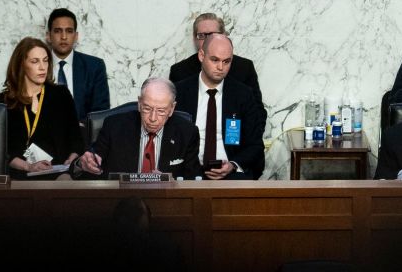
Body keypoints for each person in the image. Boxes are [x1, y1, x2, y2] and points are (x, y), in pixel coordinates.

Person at [173, 33, 264, 179]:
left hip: (231, 173)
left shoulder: (243, 94)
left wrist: (233, 165)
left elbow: (255, 145)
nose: (220, 67)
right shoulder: (180, 92)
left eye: (226, 61)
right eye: (214, 60)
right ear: (201, 56)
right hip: (188, 172)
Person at [74, 77, 201, 179]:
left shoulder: (187, 133)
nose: (152, 117)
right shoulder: (114, 126)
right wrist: (81, 163)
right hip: (121, 202)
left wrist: (171, 184)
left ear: (172, 108)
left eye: (161, 111)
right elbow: (91, 161)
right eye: (147, 108)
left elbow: (194, 179)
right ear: (139, 103)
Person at [0, 37, 83, 179]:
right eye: (35, 61)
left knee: (65, 181)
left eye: (45, 60)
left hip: (57, 173)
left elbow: (76, 140)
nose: (43, 67)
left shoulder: (61, 95)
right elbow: (2, 151)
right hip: (21, 172)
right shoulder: (6, 100)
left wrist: (71, 160)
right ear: (21, 64)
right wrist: (29, 166)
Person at [167, 12, 263, 104]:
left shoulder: (244, 68)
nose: (208, 40)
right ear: (194, 39)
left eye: (213, 34)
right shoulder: (179, 71)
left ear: (224, 35)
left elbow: (257, 114)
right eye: (202, 36)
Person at [45, 7, 110, 120]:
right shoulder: (37, 66)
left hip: (83, 135)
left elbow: (100, 113)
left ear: (76, 36)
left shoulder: (94, 67)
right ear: (48, 36)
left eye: (69, 31)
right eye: (57, 31)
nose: (64, 37)